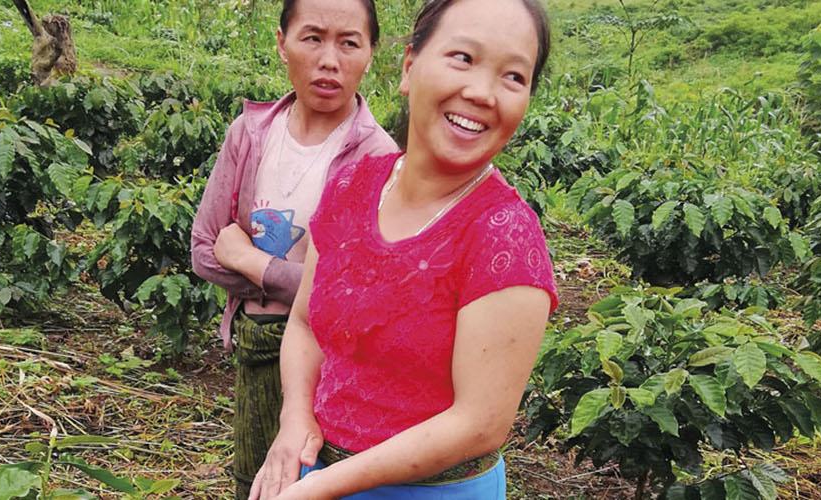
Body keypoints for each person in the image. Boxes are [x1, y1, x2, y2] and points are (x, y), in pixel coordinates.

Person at [249, 0, 557, 498]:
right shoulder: (352, 185)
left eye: (514, 77)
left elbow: (479, 423)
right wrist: (295, 417)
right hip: (320, 471)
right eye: (463, 57)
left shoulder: (504, 235)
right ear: (410, 66)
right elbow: (306, 323)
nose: (481, 92)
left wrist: (325, 486)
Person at [189, 0, 398, 497]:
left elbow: (353, 294)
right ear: (282, 42)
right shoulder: (250, 134)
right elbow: (202, 249)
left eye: (349, 42)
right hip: (255, 344)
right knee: (255, 482)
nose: (330, 59)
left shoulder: (379, 159)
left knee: (316, 482)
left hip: (333, 361)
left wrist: (248, 259)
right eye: (312, 38)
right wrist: (297, 280)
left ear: (371, 54)